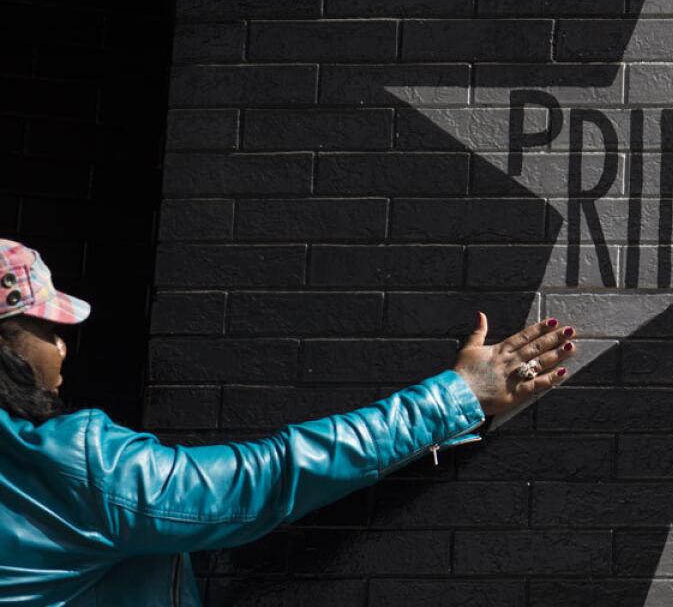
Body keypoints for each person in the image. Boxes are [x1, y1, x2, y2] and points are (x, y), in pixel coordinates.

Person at [0, 238, 578, 605]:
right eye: (44, 327)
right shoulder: (69, 469)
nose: (61, 347)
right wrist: (455, 396)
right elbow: (268, 478)